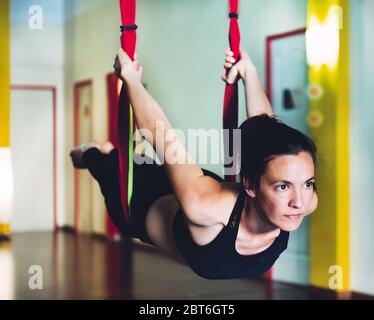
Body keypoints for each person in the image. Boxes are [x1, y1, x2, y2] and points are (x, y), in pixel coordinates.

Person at [70, 48, 318, 280]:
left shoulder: (303, 203)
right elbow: (159, 133)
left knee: (139, 161)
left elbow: (266, 135)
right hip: (142, 201)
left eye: (308, 184)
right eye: (283, 187)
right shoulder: (203, 206)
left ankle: (107, 151)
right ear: (251, 185)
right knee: (99, 159)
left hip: (195, 185)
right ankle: (92, 152)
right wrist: (130, 79)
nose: (299, 201)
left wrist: (249, 72)